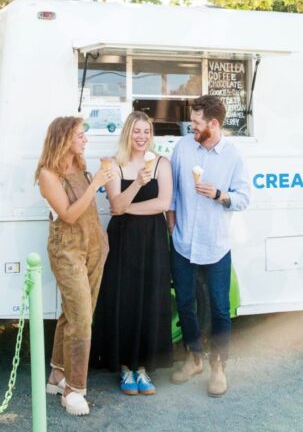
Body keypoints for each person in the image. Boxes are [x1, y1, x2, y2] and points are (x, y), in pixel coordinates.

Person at [168, 94, 248, 397]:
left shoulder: (233, 156)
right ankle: (195, 358)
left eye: (197, 122)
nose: (192, 126)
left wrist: (219, 195)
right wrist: (172, 223)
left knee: (219, 308)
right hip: (183, 242)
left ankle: (218, 365)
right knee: (186, 304)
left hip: (215, 244)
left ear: (213, 124)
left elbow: (243, 198)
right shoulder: (183, 148)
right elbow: (173, 190)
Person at [90, 111, 174, 394]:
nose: (142, 137)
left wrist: (128, 209)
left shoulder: (162, 163)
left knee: (149, 299)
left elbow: (163, 203)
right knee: (123, 299)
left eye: (147, 132)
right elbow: (115, 204)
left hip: (152, 239)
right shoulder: (114, 165)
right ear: (128, 133)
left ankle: (142, 368)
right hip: (122, 240)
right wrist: (137, 183)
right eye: (137, 131)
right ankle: (126, 368)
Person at [36, 116, 112, 416]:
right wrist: (96, 184)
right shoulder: (47, 175)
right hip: (67, 251)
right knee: (81, 319)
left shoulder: (80, 166)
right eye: (80, 134)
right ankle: (74, 390)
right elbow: (68, 215)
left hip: (94, 247)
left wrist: (101, 241)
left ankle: (57, 375)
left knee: (73, 312)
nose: (85, 139)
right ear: (63, 138)